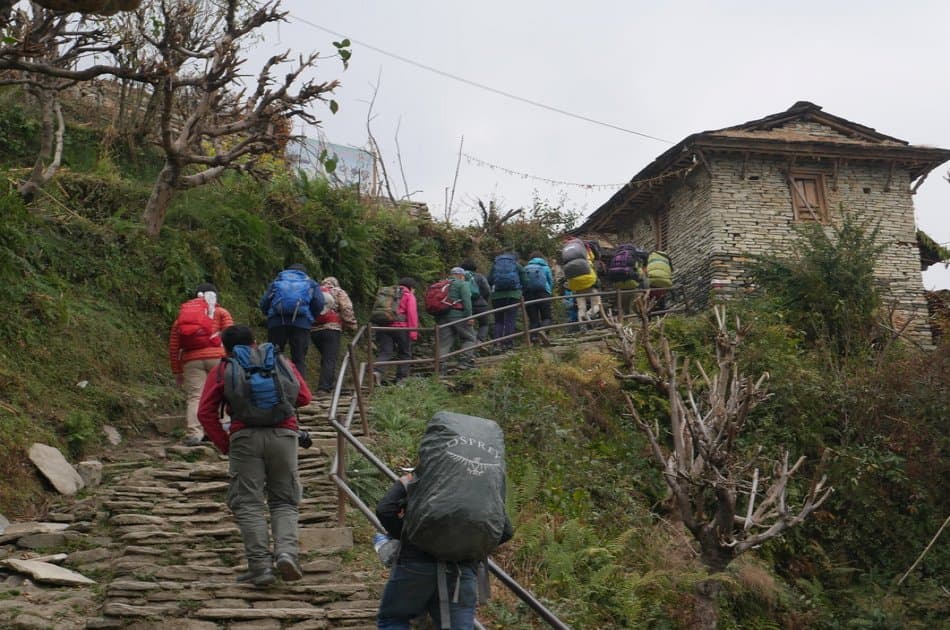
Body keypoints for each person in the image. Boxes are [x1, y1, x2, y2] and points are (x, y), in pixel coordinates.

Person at [197, 325, 313, 587]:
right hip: (284, 436)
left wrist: (225, 444)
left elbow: (205, 412)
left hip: (245, 438)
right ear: (255, 341)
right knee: (284, 500)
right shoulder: (279, 362)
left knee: (248, 503)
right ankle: (286, 553)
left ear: (226, 348)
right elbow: (304, 397)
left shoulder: (224, 368)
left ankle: (260, 567)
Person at [169, 282, 234, 447]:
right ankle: (224, 428)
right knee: (224, 392)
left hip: (191, 360)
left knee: (195, 396)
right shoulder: (221, 312)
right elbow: (231, 338)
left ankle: (195, 432)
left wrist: (177, 370)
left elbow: (174, 345)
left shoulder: (183, 319)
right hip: (219, 359)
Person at [259, 263, 324, 380]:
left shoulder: (277, 281)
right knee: (299, 358)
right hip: (301, 324)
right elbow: (319, 302)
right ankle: (300, 391)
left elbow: (264, 301)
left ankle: (272, 387)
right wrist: (310, 318)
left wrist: (269, 315)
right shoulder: (310, 283)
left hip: (277, 322)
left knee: (273, 356)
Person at [310, 276, 357, 393]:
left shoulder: (313, 292)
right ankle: (324, 388)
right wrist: (352, 324)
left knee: (326, 358)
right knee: (329, 359)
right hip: (332, 329)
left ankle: (329, 384)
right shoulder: (338, 292)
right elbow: (346, 308)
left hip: (314, 330)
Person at [374, 277, 419, 386]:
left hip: (384, 327)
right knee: (405, 353)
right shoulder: (409, 295)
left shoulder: (388, 294)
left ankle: (377, 372)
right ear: (411, 287)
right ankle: (401, 379)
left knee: (385, 352)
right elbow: (412, 314)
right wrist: (413, 332)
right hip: (401, 328)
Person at [435, 267, 476, 374]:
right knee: (470, 338)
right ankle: (465, 361)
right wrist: (469, 317)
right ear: (461, 275)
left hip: (442, 316)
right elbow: (467, 302)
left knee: (444, 342)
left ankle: (440, 367)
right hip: (458, 315)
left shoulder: (442, 284)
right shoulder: (462, 284)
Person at [487, 252, 526, 352]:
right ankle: (508, 344)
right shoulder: (516, 265)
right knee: (510, 319)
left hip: (497, 297)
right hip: (513, 296)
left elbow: (489, 280)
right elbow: (525, 280)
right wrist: (520, 290)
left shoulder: (495, 265)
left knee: (498, 320)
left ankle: (497, 344)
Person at [522, 252, 554, 340]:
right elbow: (550, 281)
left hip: (528, 294)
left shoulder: (525, 268)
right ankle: (543, 331)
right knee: (547, 317)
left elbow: (522, 282)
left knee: (533, 319)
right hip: (543, 293)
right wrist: (549, 291)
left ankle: (534, 338)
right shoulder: (545, 267)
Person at [460, 259, 492, 343]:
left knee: (467, 325)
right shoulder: (480, 276)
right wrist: (484, 300)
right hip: (481, 305)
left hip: (466, 305)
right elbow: (487, 290)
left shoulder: (461, 277)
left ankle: (470, 342)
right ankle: (479, 340)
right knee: (484, 324)